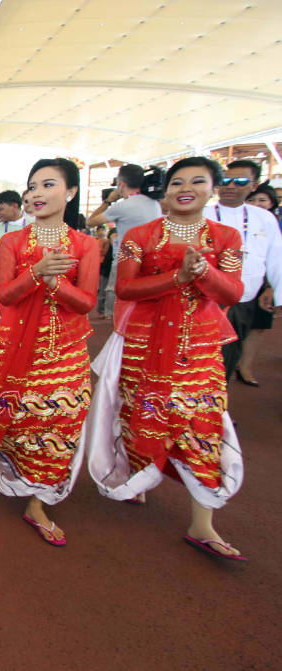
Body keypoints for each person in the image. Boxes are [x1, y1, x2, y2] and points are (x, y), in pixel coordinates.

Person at [88, 156, 246, 560]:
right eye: (177, 182)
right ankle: (138, 476)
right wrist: (178, 278)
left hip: (197, 347)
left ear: (212, 188)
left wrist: (205, 274)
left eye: (197, 181)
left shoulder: (226, 237)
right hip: (143, 342)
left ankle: (203, 522)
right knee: (140, 417)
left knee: (202, 422)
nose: (185, 188)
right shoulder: (142, 235)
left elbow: (232, 294)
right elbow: (125, 288)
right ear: (166, 190)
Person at [0, 158, 98, 546]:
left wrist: (54, 283)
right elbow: (5, 294)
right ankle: (16, 473)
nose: (37, 193)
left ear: (71, 192)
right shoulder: (11, 242)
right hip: (18, 349)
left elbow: (87, 302)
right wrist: (36, 274)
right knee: (23, 421)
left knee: (62, 420)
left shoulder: (86, 245)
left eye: (48, 185)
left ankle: (38, 502)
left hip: (66, 350)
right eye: (32, 186)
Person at [204, 160, 282, 385]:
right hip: (205, 301)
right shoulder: (203, 213)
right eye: (225, 181)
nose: (230, 186)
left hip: (243, 300)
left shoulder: (264, 218)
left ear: (254, 186)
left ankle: (218, 412)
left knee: (229, 356)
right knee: (199, 359)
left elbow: (275, 257)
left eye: (239, 181)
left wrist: (274, 290)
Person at [87, 164, 163, 319]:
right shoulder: (155, 204)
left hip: (125, 261)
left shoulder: (123, 206)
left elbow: (90, 222)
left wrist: (108, 201)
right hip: (150, 261)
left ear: (121, 184)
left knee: (119, 302)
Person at [236, 181, 282, 383]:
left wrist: (273, 286)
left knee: (258, 326)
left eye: (262, 200)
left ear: (272, 203)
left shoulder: (273, 223)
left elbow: (277, 257)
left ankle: (245, 367)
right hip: (238, 281)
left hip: (265, 282)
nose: (257, 203)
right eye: (252, 199)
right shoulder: (236, 219)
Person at [95, 225, 113, 318]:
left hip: (105, 266)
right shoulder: (95, 240)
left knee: (105, 289)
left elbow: (102, 252)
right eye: (100, 230)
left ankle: (104, 311)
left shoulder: (107, 242)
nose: (101, 232)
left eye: (103, 230)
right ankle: (102, 310)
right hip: (102, 266)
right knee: (103, 288)